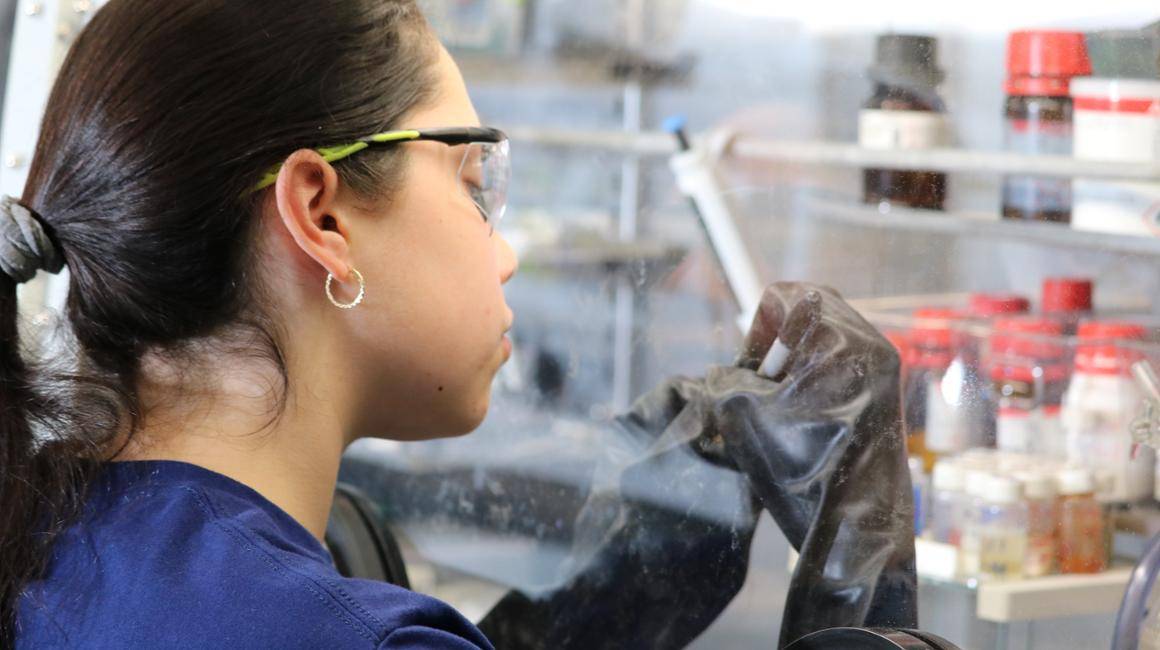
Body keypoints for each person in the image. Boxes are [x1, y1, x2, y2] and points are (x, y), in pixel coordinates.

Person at [2, 1, 915, 648]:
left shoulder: (51, 532)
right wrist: (858, 554)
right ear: (321, 216)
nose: (503, 251)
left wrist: (609, 608)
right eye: (473, 184)